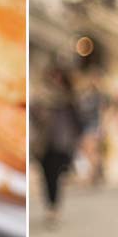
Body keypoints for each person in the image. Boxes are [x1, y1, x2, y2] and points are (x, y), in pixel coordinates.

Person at [29, 64, 81, 225]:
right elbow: (32, 114)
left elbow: (77, 120)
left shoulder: (69, 98)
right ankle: (50, 206)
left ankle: (54, 208)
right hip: (45, 143)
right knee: (46, 177)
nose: (56, 81)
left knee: (57, 176)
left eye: (59, 77)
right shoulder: (41, 96)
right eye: (53, 77)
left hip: (62, 143)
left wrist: (77, 139)